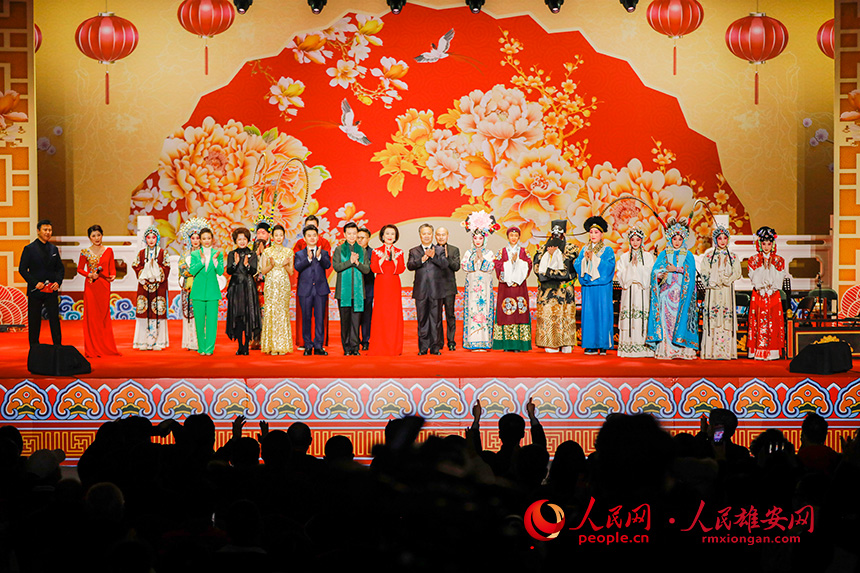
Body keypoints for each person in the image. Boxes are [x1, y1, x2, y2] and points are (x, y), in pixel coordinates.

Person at [646, 218, 698, 360]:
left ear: (683, 240)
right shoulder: (663, 254)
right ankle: (667, 349)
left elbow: (691, 273)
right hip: (666, 293)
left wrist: (677, 269)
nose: (677, 242)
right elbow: (655, 271)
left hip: (681, 294)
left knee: (680, 320)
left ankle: (681, 349)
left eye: (680, 239)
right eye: (674, 239)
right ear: (670, 239)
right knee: (666, 321)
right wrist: (660, 273)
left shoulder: (688, 255)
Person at [533, 220, 577, 353]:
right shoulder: (542, 249)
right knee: (548, 316)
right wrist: (551, 270)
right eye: (554, 233)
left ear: (564, 234)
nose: (556, 236)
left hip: (564, 292)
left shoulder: (571, 249)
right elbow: (537, 270)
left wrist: (550, 269)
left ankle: (566, 342)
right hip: (547, 292)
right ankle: (549, 342)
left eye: (559, 233)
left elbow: (568, 271)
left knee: (565, 316)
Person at [76, 224, 120, 357]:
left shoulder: (108, 251)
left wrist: (113, 275)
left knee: (103, 316)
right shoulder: (85, 252)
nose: (97, 238)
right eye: (93, 236)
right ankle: (92, 348)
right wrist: (89, 274)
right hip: (91, 286)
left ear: (102, 235)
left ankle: (106, 347)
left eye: (99, 235)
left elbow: (112, 268)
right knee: (92, 317)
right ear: (89, 237)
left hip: (104, 286)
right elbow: (79, 269)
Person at [699, 224, 742, 360]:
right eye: (719, 238)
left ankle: (726, 352)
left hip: (727, 289)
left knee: (726, 317)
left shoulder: (733, 257)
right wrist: (712, 281)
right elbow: (704, 272)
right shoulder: (709, 256)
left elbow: (737, 272)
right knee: (713, 315)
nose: (722, 241)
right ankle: (710, 351)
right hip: (714, 290)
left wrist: (728, 279)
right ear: (715, 240)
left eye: (725, 238)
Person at [574, 216, 615, 355]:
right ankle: (590, 344)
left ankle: (603, 344)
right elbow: (577, 265)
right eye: (591, 232)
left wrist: (594, 259)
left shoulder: (607, 250)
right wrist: (585, 260)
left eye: (596, 232)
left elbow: (609, 268)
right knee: (589, 314)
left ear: (602, 234)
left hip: (602, 287)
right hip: (589, 287)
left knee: (603, 313)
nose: (593, 235)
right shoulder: (584, 249)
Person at [19, 219, 63, 347]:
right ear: (38, 231)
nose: (48, 232)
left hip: (51, 290)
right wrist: (35, 283)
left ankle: (58, 347)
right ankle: (34, 348)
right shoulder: (29, 249)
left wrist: (58, 282)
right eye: (45, 230)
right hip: (35, 291)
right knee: (34, 321)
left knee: (54, 320)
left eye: (50, 230)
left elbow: (60, 269)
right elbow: (22, 269)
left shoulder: (54, 249)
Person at [407, 223, 448, 355]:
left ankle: (435, 347)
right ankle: (423, 348)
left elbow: (444, 264)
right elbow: (410, 265)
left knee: (436, 320)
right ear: (420, 235)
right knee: (422, 319)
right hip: (421, 291)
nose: (426, 236)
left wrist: (433, 257)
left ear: (432, 235)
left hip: (436, 291)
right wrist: (423, 259)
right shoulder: (414, 251)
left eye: (429, 233)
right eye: (424, 233)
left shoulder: (439, 250)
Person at [747, 226, 786, 360]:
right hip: (759, 293)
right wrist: (761, 286)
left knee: (773, 321)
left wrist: (772, 288)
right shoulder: (753, 259)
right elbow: (753, 276)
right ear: (760, 244)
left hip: (773, 294)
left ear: (773, 244)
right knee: (758, 320)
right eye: (764, 244)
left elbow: (780, 276)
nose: (766, 247)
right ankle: (757, 351)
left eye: (769, 244)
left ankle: (772, 351)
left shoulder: (779, 260)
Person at [461, 211, 498, 351]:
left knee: (484, 310)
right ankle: (472, 342)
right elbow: (464, 266)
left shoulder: (489, 253)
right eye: (475, 238)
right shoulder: (468, 253)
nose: (477, 241)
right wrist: (473, 261)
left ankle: (485, 342)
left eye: (480, 238)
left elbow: (491, 267)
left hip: (485, 288)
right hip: (472, 288)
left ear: (484, 239)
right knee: (472, 310)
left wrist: (482, 260)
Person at [615, 228, 654, 358]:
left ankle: (644, 347)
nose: (635, 242)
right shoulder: (624, 257)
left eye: (638, 240)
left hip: (642, 291)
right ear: (629, 241)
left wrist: (639, 268)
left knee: (642, 318)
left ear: (642, 241)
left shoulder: (648, 257)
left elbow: (650, 275)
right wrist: (631, 266)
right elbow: (621, 276)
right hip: (629, 291)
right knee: (629, 318)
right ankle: (628, 347)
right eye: (633, 240)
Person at [294, 214, 332, 348]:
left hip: (320, 289)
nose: (312, 238)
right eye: (309, 235)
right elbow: (297, 267)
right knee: (306, 318)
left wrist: (319, 257)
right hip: (305, 290)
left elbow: (327, 265)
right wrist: (308, 259)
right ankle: (308, 345)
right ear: (304, 238)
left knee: (320, 319)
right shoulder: (299, 253)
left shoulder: (323, 252)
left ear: (317, 236)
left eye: (314, 235)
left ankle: (319, 345)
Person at [368, 224, 405, 356]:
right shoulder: (376, 251)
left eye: (392, 234)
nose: (390, 236)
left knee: (393, 315)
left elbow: (401, 269)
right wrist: (383, 258)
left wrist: (394, 260)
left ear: (396, 237)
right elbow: (374, 268)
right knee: (380, 313)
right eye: (387, 233)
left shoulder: (399, 252)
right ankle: (379, 346)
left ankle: (394, 347)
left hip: (394, 285)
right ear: (382, 236)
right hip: (381, 284)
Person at [333, 222, 369, 356]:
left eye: (354, 233)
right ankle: (346, 348)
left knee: (356, 321)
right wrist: (350, 262)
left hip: (358, 292)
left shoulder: (362, 250)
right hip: (343, 292)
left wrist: (357, 263)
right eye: (349, 233)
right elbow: (337, 267)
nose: (352, 236)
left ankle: (355, 348)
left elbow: (367, 269)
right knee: (345, 321)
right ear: (344, 234)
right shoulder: (339, 250)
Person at [493, 226, 532, 352]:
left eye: (516, 236)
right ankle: (506, 344)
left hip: (519, 287)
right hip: (506, 288)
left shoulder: (524, 252)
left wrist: (518, 262)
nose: (513, 238)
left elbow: (529, 265)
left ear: (519, 237)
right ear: (508, 237)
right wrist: (510, 263)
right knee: (506, 312)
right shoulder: (501, 252)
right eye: (511, 235)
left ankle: (519, 345)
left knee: (520, 312)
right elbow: (497, 265)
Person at [132, 225, 170, 351]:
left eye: (154, 237)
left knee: (158, 311)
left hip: (159, 287)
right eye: (149, 237)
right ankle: (142, 341)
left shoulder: (163, 253)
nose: (151, 240)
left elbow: (167, 267)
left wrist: (156, 269)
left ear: (157, 238)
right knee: (144, 312)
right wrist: (146, 270)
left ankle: (159, 341)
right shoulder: (141, 253)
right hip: (144, 287)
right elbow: (135, 265)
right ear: (145, 239)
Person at [259, 224, 295, 355]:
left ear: (284, 237)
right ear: (272, 237)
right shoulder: (267, 252)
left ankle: (282, 345)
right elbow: (263, 271)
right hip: (270, 284)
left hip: (284, 285)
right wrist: (272, 265)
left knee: (282, 312)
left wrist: (285, 265)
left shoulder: (289, 252)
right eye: (276, 235)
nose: (279, 237)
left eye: (281, 235)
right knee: (271, 311)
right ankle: (271, 345)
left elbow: (291, 272)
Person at [225, 227, 261, 356]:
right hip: (236, 287)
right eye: (239, 239)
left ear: (248, 240)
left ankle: (246, 346)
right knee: (237, 316)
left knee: (248, 316)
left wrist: (246, 265)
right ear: (235, 241)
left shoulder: (252, 254)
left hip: (248, 287)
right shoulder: (232, 254)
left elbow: (253, 271)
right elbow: (229, 271)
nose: (242, 241)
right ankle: (240, 345)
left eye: (244, 239)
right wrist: (235, 263)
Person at [190, 227, 224, 356]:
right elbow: (192, 271)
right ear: (200, 240)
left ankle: (209, 348)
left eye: (208, 238)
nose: (206, 241)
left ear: (212, 239)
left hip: (212, 292)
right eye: (204, 238)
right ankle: (201, 348)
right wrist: (202, 261)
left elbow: (220, 271)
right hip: (198, 292)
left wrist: (214, 261)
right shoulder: (195, 254)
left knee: (211, 322)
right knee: (199, 322)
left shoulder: (218, 254)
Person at [177, 217, 207, 351]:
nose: (195, 241)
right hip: (188, 288)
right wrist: (192, 272)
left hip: (201, 287)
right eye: (193, 238)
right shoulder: (185, 255)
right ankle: (189, 342)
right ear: (189, 239)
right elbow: (181, 270)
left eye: (198, 238)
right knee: (189, 316)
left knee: (201, 315)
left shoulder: (205, 253)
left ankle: (200, 342)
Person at [435, 227, 461, 351]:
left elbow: (456, 267)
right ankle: (438, 342)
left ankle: (451, 342)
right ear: (435, 236)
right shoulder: (431, 250)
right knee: (437, 316)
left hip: (449, 288)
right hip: (435, 289)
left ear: (447, 235)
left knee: (450, 315)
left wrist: (447, 257)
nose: (441, 237)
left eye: (443, 234)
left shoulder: (454, 250)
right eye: (439, 235)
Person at [250, 218, 272, 350]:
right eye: (258, 233)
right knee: (255, 312)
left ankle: (268, 338)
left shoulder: (272, 249)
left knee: (268, 312)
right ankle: (256, 338)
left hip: (268, 285)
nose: (260, 236)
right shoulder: (252, 249)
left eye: (263, 233)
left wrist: (264, 254)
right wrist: (256, 255)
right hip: (255, 286)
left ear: (269, 234)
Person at [357, 227, 375, 351]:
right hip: (354, 288)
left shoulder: (373, 253)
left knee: (367, 315)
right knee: (355, 316)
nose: (360, 240)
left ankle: (366, 340)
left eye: (362, 238)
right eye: (358, 237)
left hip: (368, 286)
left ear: (368, 239)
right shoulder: (351, 252)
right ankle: (354, 339)